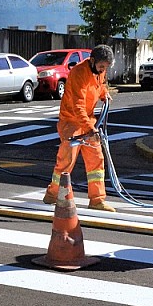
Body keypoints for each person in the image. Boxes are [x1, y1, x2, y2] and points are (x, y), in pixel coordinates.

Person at [43, 43, 116, 212]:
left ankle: (97, 200)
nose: (103, 70)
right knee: (66, 161)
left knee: (96, 159)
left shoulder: (100, 71)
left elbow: (100, 85)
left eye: (105, 67)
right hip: (71, 121)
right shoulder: (78, 73)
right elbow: (78, 106)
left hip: (87, 121)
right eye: (101, 66)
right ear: (91, 61)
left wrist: (104, 94)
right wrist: (91, 129)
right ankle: (53, 194)